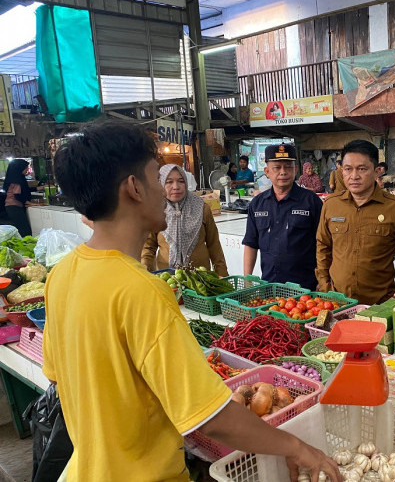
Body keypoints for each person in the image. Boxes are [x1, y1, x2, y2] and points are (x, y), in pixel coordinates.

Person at [44, 123, 340, 481]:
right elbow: (211, 417)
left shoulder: (62, 274)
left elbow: (62, 378)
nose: (166, 189)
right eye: (157, 178)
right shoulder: (142, 291)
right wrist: (297, 447)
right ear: (134, 188)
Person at [316, 140, 395, 305]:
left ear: (377, 171)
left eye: (362, 169)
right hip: (336, 302)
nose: (354, 176)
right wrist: (324, 285)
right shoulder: (331, 205)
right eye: (348, 169)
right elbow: (323, 247)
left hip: (379, 304)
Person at [244, 145, 322, 290]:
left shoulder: (311, 201)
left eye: (288, 167)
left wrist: (323, 279)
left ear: (296, 170)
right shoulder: (258, 204)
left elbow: (324, 244)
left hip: (306, 288)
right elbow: (250, 243)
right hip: (269, 287)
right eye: (277, 167)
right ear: (267, 171)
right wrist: (247, 280)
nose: (283, 172)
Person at [141, 164, 228, 276]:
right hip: (167, 280)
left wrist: (223, 276)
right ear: (161, 183)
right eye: (169, 182)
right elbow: (148, 247)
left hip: (201, 280)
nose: (176, 186)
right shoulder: (155, 210)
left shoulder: (202, 208)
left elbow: (214, 246)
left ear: (186, 183)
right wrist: (145, 272)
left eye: (181, 181)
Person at [3, 159, 32, 237]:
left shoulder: (12, 179)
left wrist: (38, 188)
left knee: (22, 229)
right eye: (26, 168)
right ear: (20, 168)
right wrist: (27, 202)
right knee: (25, 230)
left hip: (11, 207)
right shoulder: (17, 181)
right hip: (14, 207)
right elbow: (17, 195)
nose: (27, 170)